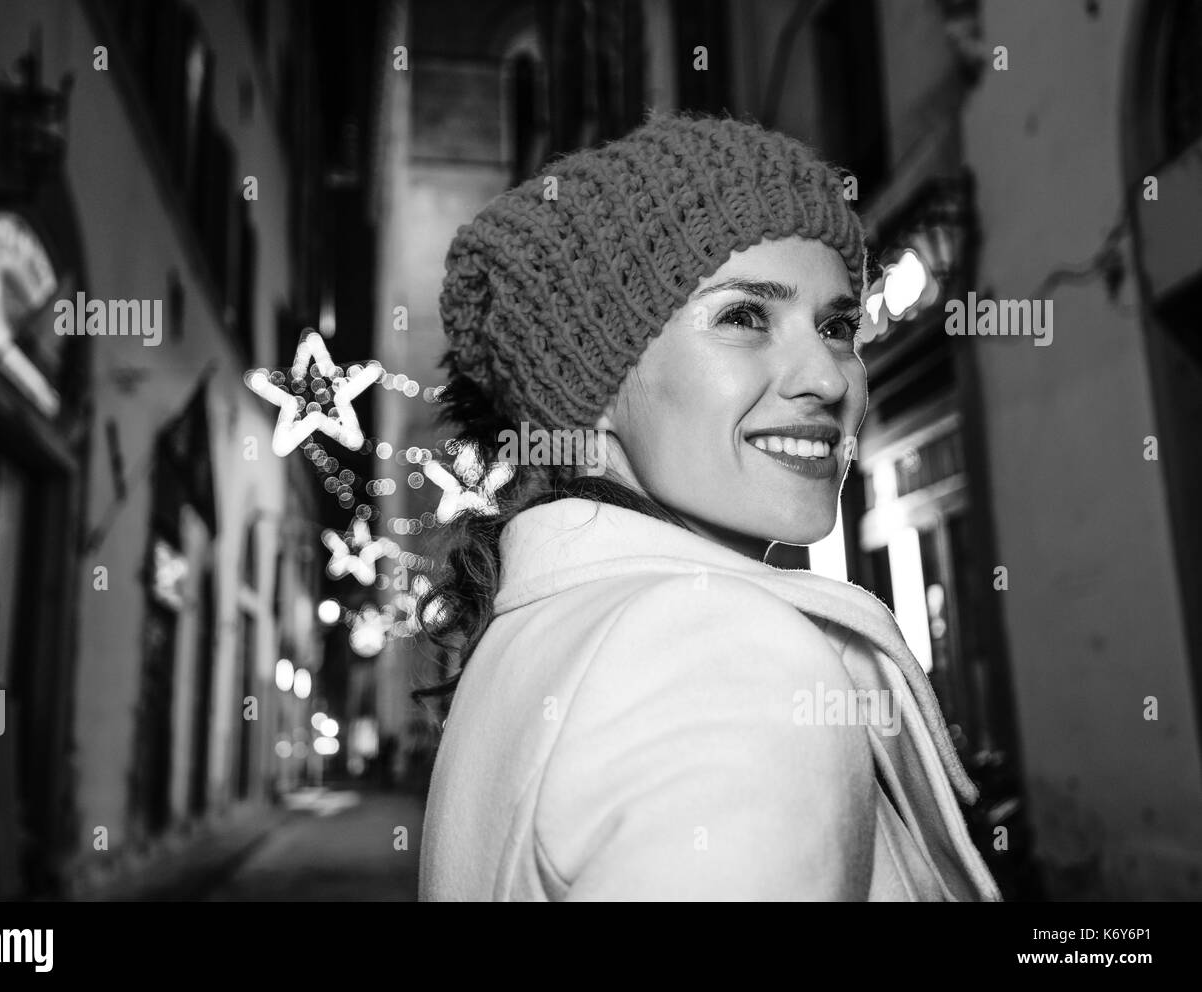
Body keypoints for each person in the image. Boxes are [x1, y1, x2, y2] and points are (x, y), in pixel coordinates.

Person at [414, 111, 1001, 902]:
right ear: (590, 393)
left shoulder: (540, 638)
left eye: (835, 326)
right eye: (744, 317)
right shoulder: (720, 656)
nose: (829, 379)